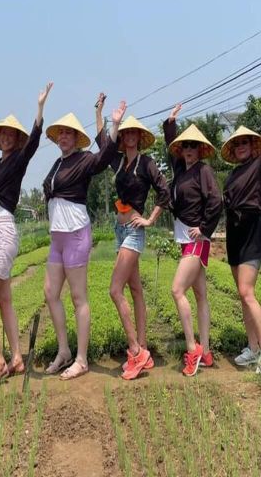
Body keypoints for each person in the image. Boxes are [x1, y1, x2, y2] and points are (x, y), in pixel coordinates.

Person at [0, 82, 53, 389]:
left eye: (10, 134)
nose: (6, 137)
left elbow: (33, 143)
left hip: (4, 231)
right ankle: (17, 357)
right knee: (4, 300)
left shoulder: (19, 159)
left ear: (16, 138)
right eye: (2, 133)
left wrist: (40, 108)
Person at [42, 100, 126, 380]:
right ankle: (64, 350)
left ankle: (81, 359)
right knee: (50, 293)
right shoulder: (57, 163)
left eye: (68, 133)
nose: (63, 137)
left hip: (76, 234)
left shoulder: (84, 159)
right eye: (60, 134)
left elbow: (104, 158)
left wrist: (113, 125)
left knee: (78, 297)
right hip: (57, 238)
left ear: (77, 138)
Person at [95, 94, 169, 380]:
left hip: (134, 232)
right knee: (135, 290)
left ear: (140, 137)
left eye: (133, 133)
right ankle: (144, 347)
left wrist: (150, 219)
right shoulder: (118, 163)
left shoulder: (147, 164)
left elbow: (165, 191)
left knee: (115, 290)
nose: (129, 137)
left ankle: (136, 351)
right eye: (125, 133)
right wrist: (101, 113)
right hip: (119, 230)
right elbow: (103, 142)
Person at [221, 94, 261, 366]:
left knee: (247, 292)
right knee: (241, 295)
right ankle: (253, 347)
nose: (242, 147)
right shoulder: (232, 175)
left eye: (245, 142)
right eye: (237, 144)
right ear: (233, 151)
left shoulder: (260, 167)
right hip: (234, 235)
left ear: (253, 146)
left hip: (251, 231)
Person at [164, 105, 222, 377]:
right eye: (185, 145)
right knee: (200, 295)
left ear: (200, 150)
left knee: (177, 290)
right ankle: (207, 351)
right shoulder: (180, 169)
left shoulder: (203, 171)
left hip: (196, 240)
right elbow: (169, 142)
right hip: (184, 238)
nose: (188, 149)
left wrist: (204, 227)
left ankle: (193, 348)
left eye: (193, 146)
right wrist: (171, 123)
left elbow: (216, 200)